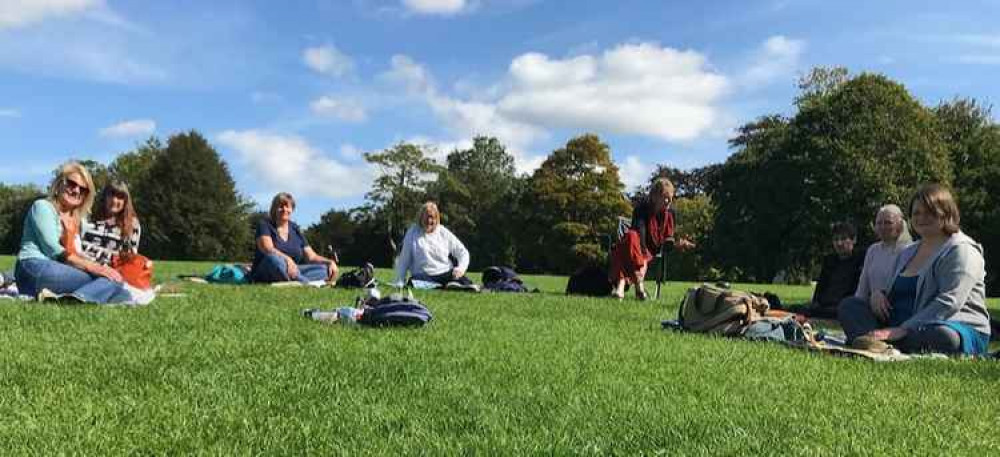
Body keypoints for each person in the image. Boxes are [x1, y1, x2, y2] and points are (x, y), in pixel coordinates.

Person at [839, 184, 991, 355]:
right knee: (849, 306)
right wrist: (877, 294)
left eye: (929, 212)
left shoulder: (961, 250)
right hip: (901, 323)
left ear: (947, 213)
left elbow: (950, 302)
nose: (921, 218)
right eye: (916, 213)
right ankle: (884, 344)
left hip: (950, 324)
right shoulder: (908, 251)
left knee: (945, 337)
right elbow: (892, 290)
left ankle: (877, 343)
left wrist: (903, 329)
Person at [13, 161, 130, 303]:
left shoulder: (75, 220)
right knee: (109, 282)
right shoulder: (43, 207)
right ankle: (78, 298)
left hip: (57, 272)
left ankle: (62, 298)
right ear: (59, 183)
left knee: (121, 291)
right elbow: (53, 249)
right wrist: (95, 268)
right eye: (71, 184)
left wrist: (100, 267)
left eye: (83, 189)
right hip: (33, 267)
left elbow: (75, 254)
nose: (76, 191)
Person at [609, 178, 694, 300]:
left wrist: (676, 244)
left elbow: (667, 241)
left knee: (622, 247)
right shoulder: (641, 209)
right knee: (631, 237)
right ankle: (638, 286)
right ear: (654, 197)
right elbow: (640, 232)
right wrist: (642, 257)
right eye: (664, 197)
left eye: (670, 198)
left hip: (653, 249)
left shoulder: (670, 213)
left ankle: (621, 286)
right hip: (639, 244)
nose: (667, 201)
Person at [250, 192, 338, 283]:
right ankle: (307, 283)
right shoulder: (265, 224)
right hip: (268, 268)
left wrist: (330, 262)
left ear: (292, 209)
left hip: (292, 270)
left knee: (324, 269)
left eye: (287, 206)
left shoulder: (295, 229)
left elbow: (311, 256)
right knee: (274, 260)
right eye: (280, 206)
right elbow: (267, 249)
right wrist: (288, 259)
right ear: (274, 209)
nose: (284, 209)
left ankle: (296, 280)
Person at [791, 222, 864, 318]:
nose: (839, 243)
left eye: (843, 239)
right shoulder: (830, 261)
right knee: (795, 308)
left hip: (842, 306)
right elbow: (821, 286)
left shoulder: (860, 261)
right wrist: (816, 302)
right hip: (824, 305)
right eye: (836, 239)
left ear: (853, 240)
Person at [393, 201, 472, 287]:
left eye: (432, 218)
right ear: (421, 217)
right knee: (413, 282)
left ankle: (452, 285)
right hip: (424, 276)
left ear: (437, 219)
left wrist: (460, 269)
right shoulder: (412, 232)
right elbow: (404, 260)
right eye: (426, 217)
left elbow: (463, 252)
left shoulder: (443, 232)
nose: (429, 221)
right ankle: (440, 286)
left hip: (445, 273)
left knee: (462, 281)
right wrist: (399, 280)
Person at [854, 204, 912, 303]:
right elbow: (863, 287)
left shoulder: (908, 250)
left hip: (894, 305)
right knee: (848, 304)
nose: (882, 227)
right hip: (871, 305)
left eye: (888, 223)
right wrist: (857, 304)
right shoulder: (873, 250)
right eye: (879, 223)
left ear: (900, 225)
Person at [81, 181, 142, 266]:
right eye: (111, 195)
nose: (114, 200)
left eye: (120, 197)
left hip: (111, 271)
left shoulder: (132, 224)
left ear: (125, 202)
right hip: (84, 266)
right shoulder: (88, 219)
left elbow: (130, 257)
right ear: (105, 197)